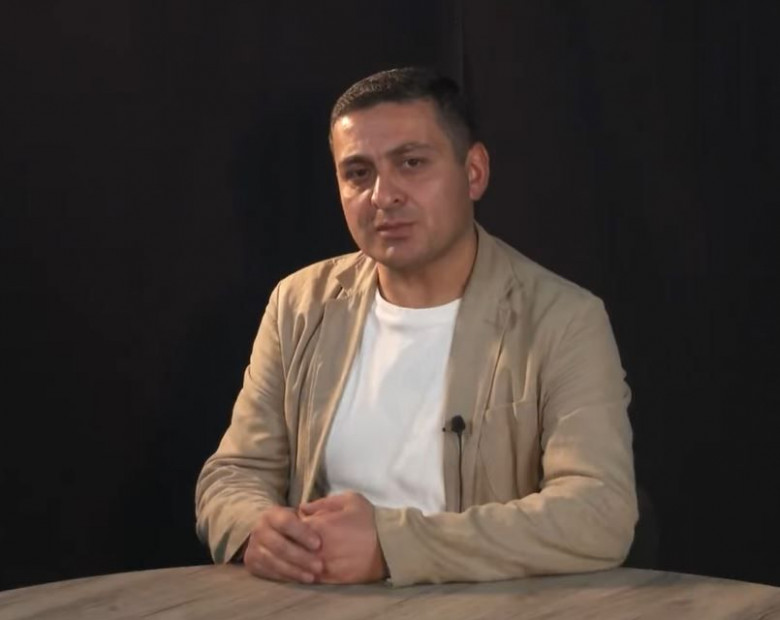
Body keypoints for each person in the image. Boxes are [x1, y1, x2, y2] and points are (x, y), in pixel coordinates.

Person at [195, 67, 637, 587]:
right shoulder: (299, 304)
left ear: (474, 172)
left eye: (411, 163)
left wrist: (392, 547)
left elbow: (600, 511)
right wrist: (256, 529)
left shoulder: (564, 319)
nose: (383, 195)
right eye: (358, 173)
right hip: (316, 602)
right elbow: (234, 474)